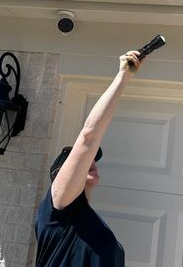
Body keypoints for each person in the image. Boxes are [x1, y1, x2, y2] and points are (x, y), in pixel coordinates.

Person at [35, 50, 143, 267]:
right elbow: (88, 137)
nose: (91, 160)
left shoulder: (84, 219)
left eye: (93, 158)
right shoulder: (57, 209)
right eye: (82, 159)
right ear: (58, 176)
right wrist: (124, 75)